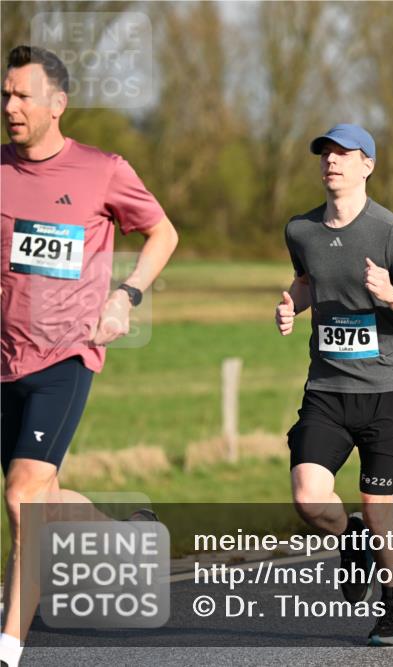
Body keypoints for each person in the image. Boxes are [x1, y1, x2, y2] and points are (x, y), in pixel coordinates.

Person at [0, 46, 178, 666]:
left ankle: (9, 647)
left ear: (57, 104)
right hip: (5, 359)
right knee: (44, 495)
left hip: (66, 355)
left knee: (23, 496)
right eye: (5, 94)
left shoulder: (101, 170)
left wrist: (126, 296)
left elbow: (163, 231)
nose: (10, 106)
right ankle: (130, 539)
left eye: (23, 95)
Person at [275, 123, 393, 646]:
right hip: (326, 390)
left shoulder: (391, 231)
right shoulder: (300, 230)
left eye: (345, 154)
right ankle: (353, 540)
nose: (332, 161)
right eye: (325, 153)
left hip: (385, 393)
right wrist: (290, 307)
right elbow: (306, 281)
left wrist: (390, 292)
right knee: (308, 498)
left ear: (368, 165)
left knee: (377, 506)